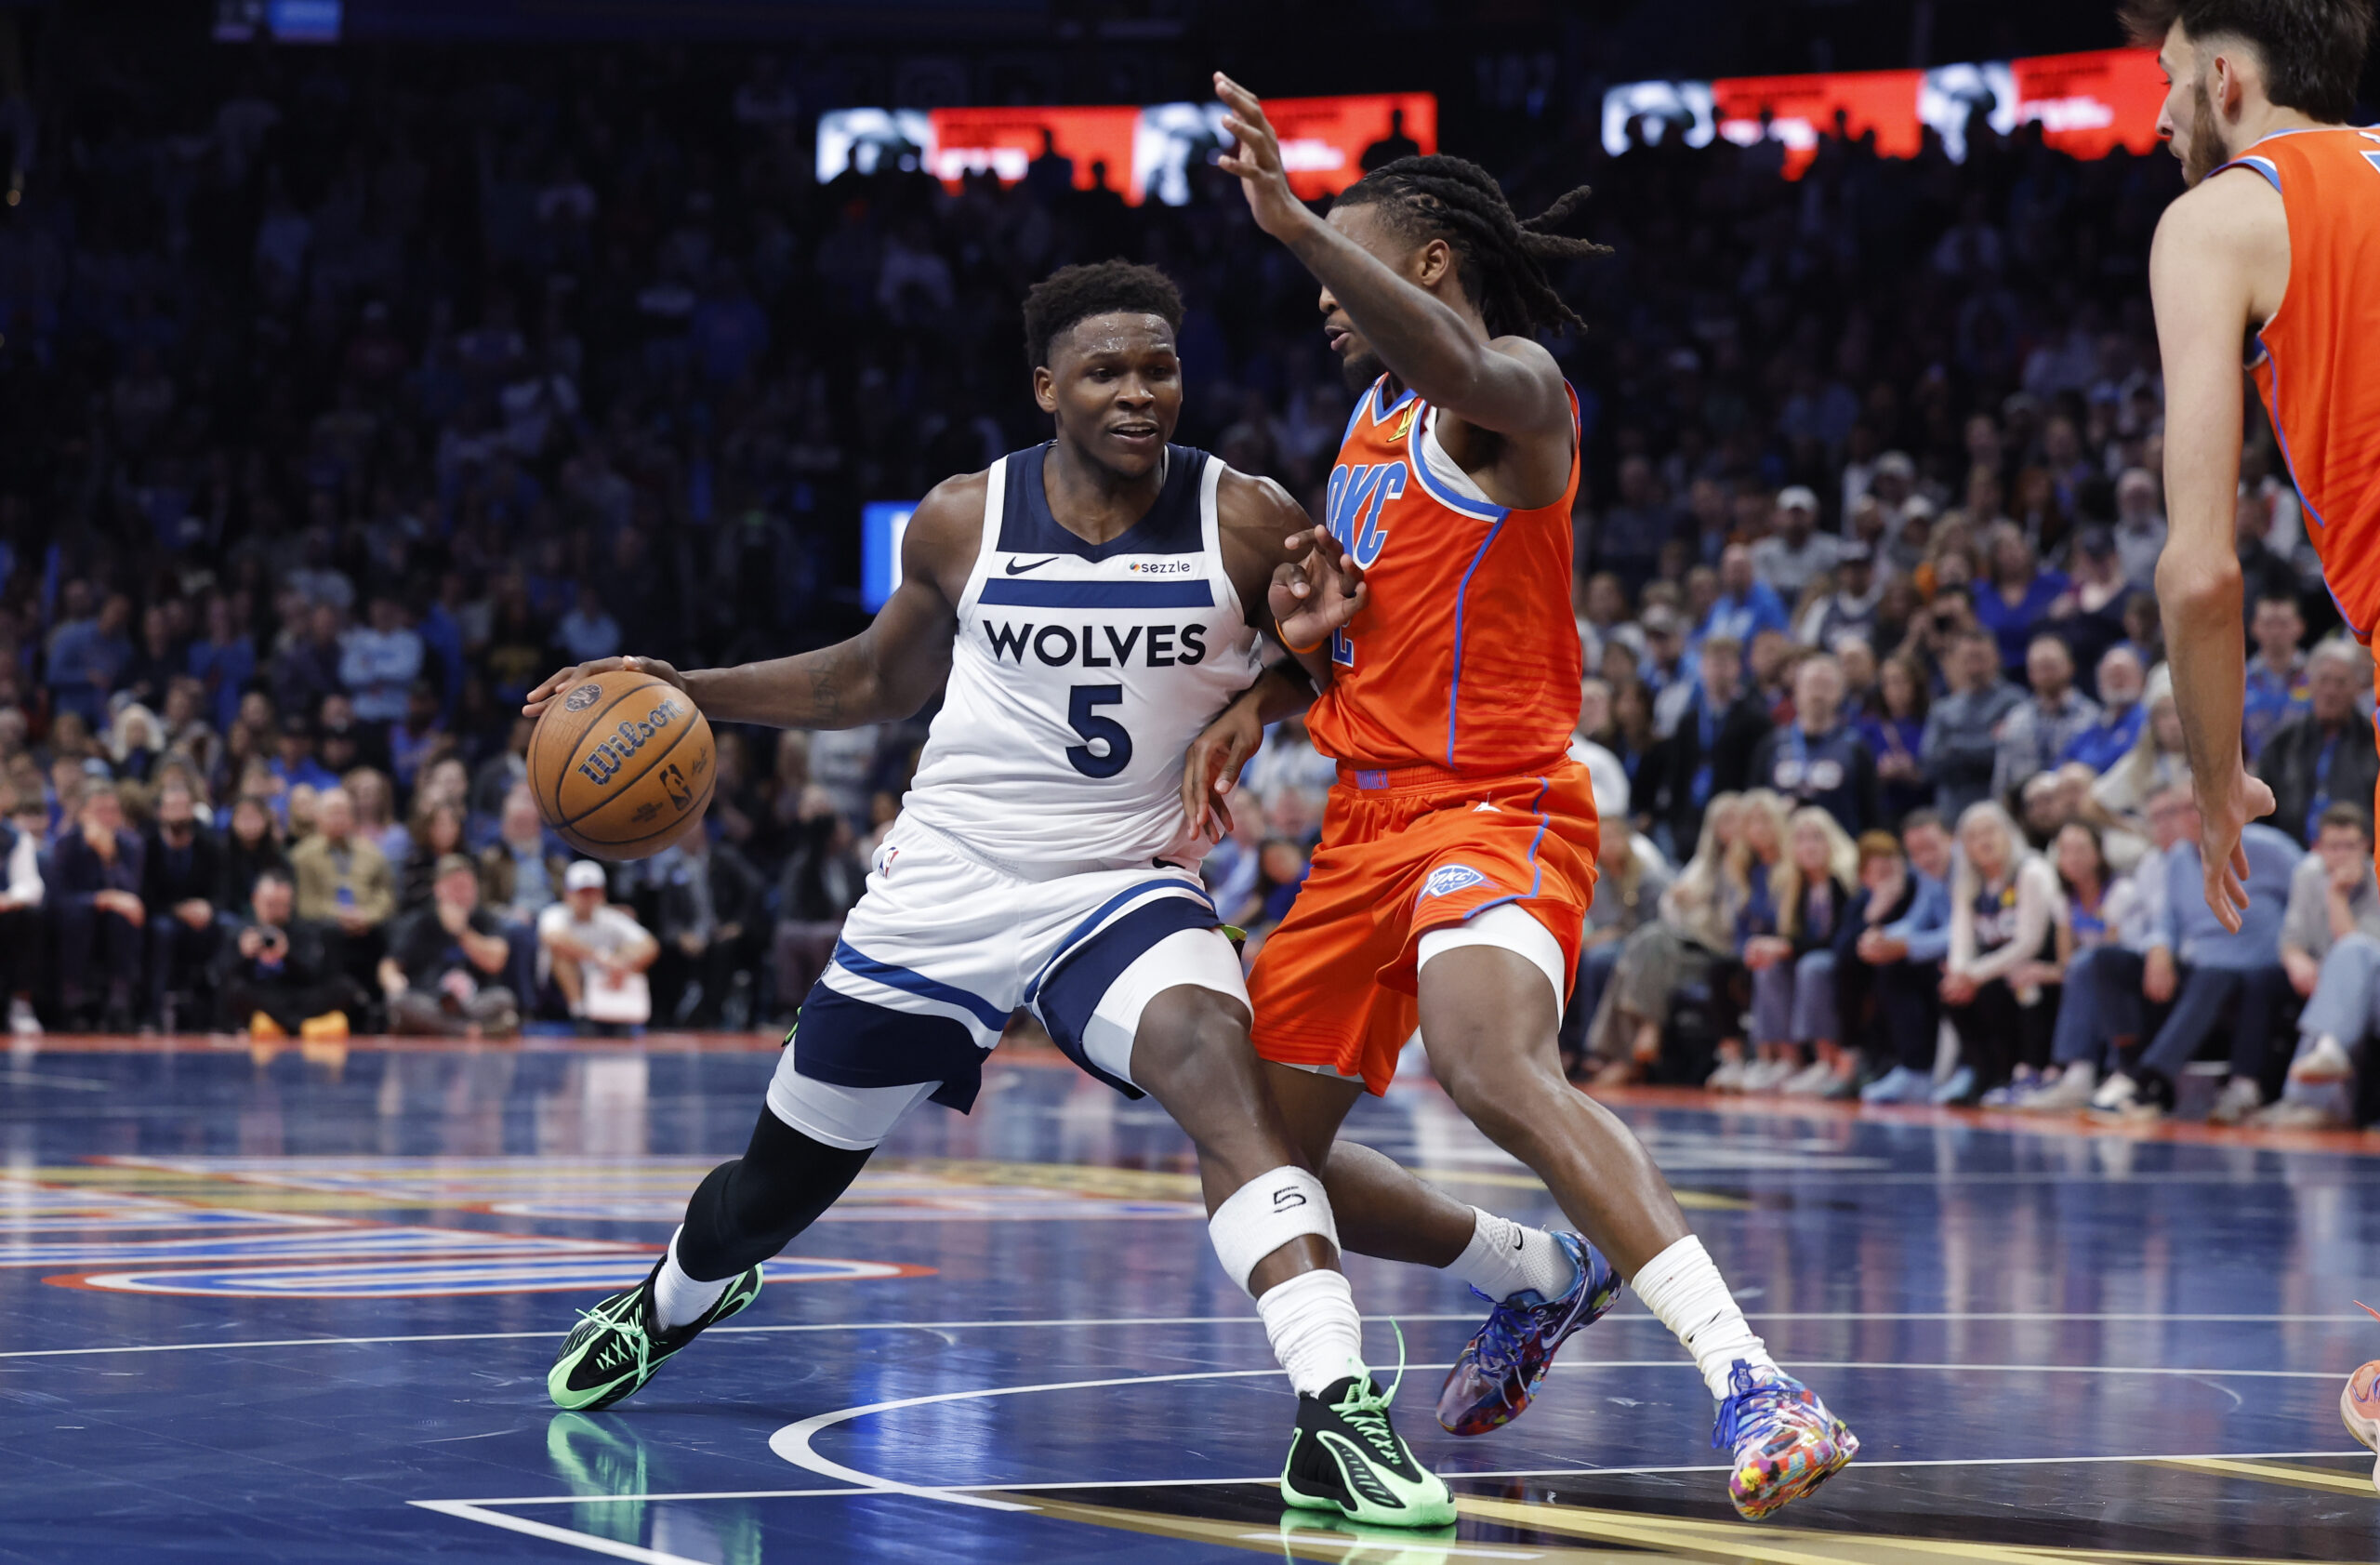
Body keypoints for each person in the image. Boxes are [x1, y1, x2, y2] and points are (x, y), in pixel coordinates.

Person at [524, 259, 1454, 1529]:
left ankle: (1336, 1409)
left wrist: (1259, 699)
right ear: (1045, 388)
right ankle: (675, 1297)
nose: (1139, 393)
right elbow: (868, 680)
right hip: (944, 888)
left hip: (1123, 883)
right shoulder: (964, 518)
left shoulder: (1245, 518)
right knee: (765, 1195)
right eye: (1106, 372)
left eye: (1159, 367)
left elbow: (1348, 650)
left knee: (1226, 1089)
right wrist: (686, 686)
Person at [1198, 89, 1853, 1519]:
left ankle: (1756, 1379)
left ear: (1426, 262)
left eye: (1342, 268)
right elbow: (1375, 647)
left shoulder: (1519, 398)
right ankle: (1539, 1267)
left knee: (1491, 1064)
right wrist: (1288, 675)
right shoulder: (1368, 433)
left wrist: (1299, 217)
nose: (1322, 301)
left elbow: (1474, 370)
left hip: (1498, 802)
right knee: (1257, 1160)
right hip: (1361, 822)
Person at [2136, 0, 2373, 962]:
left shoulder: (2218, 218)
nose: (2158, 117)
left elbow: (2198, 574)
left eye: (2168, 79)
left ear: (2224, 82)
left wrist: (2214, 778)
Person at [2088, 785, 2298, 1123]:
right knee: (2108, 961)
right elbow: (2165, 922)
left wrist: (2297, 950)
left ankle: (2150, 1082)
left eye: (2197, 806)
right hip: (2203, 972)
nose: (2189, 817)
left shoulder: (2270, 848)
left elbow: (2307, 897)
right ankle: (2126, 1068)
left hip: (2259, 971)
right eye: (2179, 809)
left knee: (2213, 974)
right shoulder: (2178, 859)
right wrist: (2158, 949)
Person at [2254, 802, 2380, 1129]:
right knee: (2270, 981)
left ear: (2367, 845)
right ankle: (2327, 1053)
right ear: (2317, 847)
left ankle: (2304, 1100)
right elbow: (2291, 939)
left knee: (2351, 954)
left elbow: (2359, 955)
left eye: (2350, 846)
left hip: (2373, 988)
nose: (2341, 855)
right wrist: (2297, 962)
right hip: (2332, 984)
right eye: (2332, 846)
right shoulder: (2307, 874)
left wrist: (2337, 895)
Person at [1937, 802, 2062, 1105]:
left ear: (2009, 833)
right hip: (1997, 970)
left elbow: (2030, 942)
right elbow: (1961, 941)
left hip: (2041, 967)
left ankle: (2032, 1070)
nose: (1984, 841)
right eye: (1974, 836)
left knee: (2020, 980)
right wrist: (1959, 974)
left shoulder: (2031, 871)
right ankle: (1983, 1073)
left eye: (1990, 831)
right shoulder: (1968, 884)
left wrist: (1973, 975)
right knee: (1949, 989)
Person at [1744, 807, 1858, 1097]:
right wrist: (1767, 945)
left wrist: (1786, 947)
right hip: (1811, 955)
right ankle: (1787, 1059)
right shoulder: (1795, 883)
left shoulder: (1843, 880)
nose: (1809, 846)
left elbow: (1840, 939)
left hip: (1844, 959)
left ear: (1832, 841)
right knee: (1768, 965)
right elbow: (1792, 935)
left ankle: (1825, 1059)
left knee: (1813, 966)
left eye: (1817, 837)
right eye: (1801, 839)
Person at [1858, 810, 1957, 1104]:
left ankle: (1970, 1070)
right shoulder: (1928, 876)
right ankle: (1914, 1070)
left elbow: (1961, 932)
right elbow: (1917, 920)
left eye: (1931, 847)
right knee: (1889, 967)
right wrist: (1880, 936)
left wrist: (1906, 945)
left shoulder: (1966, 868)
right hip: (1947, 955)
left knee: (1923, 966)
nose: (1925, 858)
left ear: (1950, 839)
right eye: (1915, 852)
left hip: (1974, 955)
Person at [1643, 632, 1769, 856]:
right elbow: (1677, 773)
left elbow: (1756, 775)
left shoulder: (1756, 720)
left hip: (1734, 820)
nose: (1719, 670)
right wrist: (1676, 818)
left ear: (1738, 668)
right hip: (1690, 819)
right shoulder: (1689, 721)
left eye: (1726, 663)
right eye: (1713, 662)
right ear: (1702, 667)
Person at [214, 868, 366, 1038]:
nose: (277, 912)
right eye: (271, 904)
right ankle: (299, 1027)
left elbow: (314, 974)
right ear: (255, 900)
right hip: (262, 997)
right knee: (236, 989)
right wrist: (243, 955)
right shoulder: (239, 932)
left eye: (283, 905)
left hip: (295, 997)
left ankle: (286, 1025)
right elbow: (219, 975)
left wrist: (288, 956)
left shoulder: (301, 931)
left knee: (345, 987)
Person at [379, 854, 520, 1038]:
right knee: (398, 1001)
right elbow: (389, 964)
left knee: (504, 998)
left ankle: (445, 1028)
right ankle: (473, 1031)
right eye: (455, 888)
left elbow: (496, 961)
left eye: (468, 887)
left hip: (473, 1002)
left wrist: (462, 932)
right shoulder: (421, 921)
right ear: (438, 890)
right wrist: (393, 980)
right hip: (431, 1000)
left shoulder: (485, 920)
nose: (462, 895)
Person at [2254, 640, 2377, 849]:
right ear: (2309, 684)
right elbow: (2261, 814)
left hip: (2359, 857)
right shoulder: (2281, 745)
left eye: (2340, 683)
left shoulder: (2375, 742)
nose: (2330, 691)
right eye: (2323, 681)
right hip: (2291, 858)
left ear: (2358, 688)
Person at [1744, 654, 1876, 836]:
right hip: (1782, 854)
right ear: (1796, 690)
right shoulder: (1771, 745)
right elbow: (1753, 806)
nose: (1818, 693)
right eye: (1812, 684)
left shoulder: (1856, 749)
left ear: (1840, 693)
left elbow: (1872, 815)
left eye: (1826, 686)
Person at [50, 783, 146, 1031]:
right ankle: (73, 1001)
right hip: (76, 920)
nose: (108, 817)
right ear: (83, 814)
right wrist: (100, 899)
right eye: (100, 810)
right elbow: (59, 899)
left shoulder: (130, 845)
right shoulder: (66, 845)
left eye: (113, 811)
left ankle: (119, 1002)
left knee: (123, 916)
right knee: (79, 916)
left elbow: (133, 896)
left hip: (114, 924)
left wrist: (110, 857)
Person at [141, 778, 223, 1031]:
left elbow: (221, 889)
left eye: (183, 806)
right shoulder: (148, 846)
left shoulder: (208, 845)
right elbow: (145, 896)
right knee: (163, 930)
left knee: (226, 926)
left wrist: (209, 908)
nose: (178, 812)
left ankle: (220, 1014)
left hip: (201, 914)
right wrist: (179, 910)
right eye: (172, 806)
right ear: (161, 812)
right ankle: (153, 1013)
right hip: (162, 914)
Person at [538, 860, 659, 1027]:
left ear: (602, 894)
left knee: (632, 950)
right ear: (568, 893)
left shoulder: (611, 918)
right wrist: (601, 958)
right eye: (581, 892)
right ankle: (579, 1013)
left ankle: (622, 1014)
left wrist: (622, 963)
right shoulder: (554, 914)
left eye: (592, 892)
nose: (587, 898)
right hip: (561, 990)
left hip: (606, 981)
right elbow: (554, 939)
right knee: (561, 955)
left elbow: (650, 945)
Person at [1922, 628, 2023, 817]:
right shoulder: (1943, 709)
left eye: (1979, 656)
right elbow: (1930, 764)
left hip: (2000, 808)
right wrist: (1986, 743)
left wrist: (1954, 746)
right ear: (1957, 661)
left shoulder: (2014, 702)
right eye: (1967, 657)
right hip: (1953, 811)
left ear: (1996, 657)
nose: (1974, 664)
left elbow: (2008, 755)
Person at [1992, 636, 2101, 805]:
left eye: (2051, 666)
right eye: (2040, 668)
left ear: (2070, 666)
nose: (2046, 673)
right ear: (2030, 673)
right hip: (2026, 810)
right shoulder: (2016, 719)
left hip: (2076, 807)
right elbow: (2002, 777)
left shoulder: (2092, 717)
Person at [2241, 590, 2308, 761]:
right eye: (2268, 624)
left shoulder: (2317, 676)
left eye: (2283, 624)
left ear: (2299, 626)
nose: (2276, 632)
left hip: (2305, 772)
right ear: (2254, 627)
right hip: (2255, 774)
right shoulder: (2239, 680)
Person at [2061, 645, 2149, 774]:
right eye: (2111, 675)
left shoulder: (2146, 719)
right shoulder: (2095, 724)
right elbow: (2065, 759)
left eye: (2123, 674)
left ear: (2141, 678)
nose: (2117, 681)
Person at [0, 791, 45, 1034]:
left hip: (6, 912)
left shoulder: (17, 838)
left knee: (30, 917)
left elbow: (33, 886)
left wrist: (8, 899)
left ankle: (21, 1003)